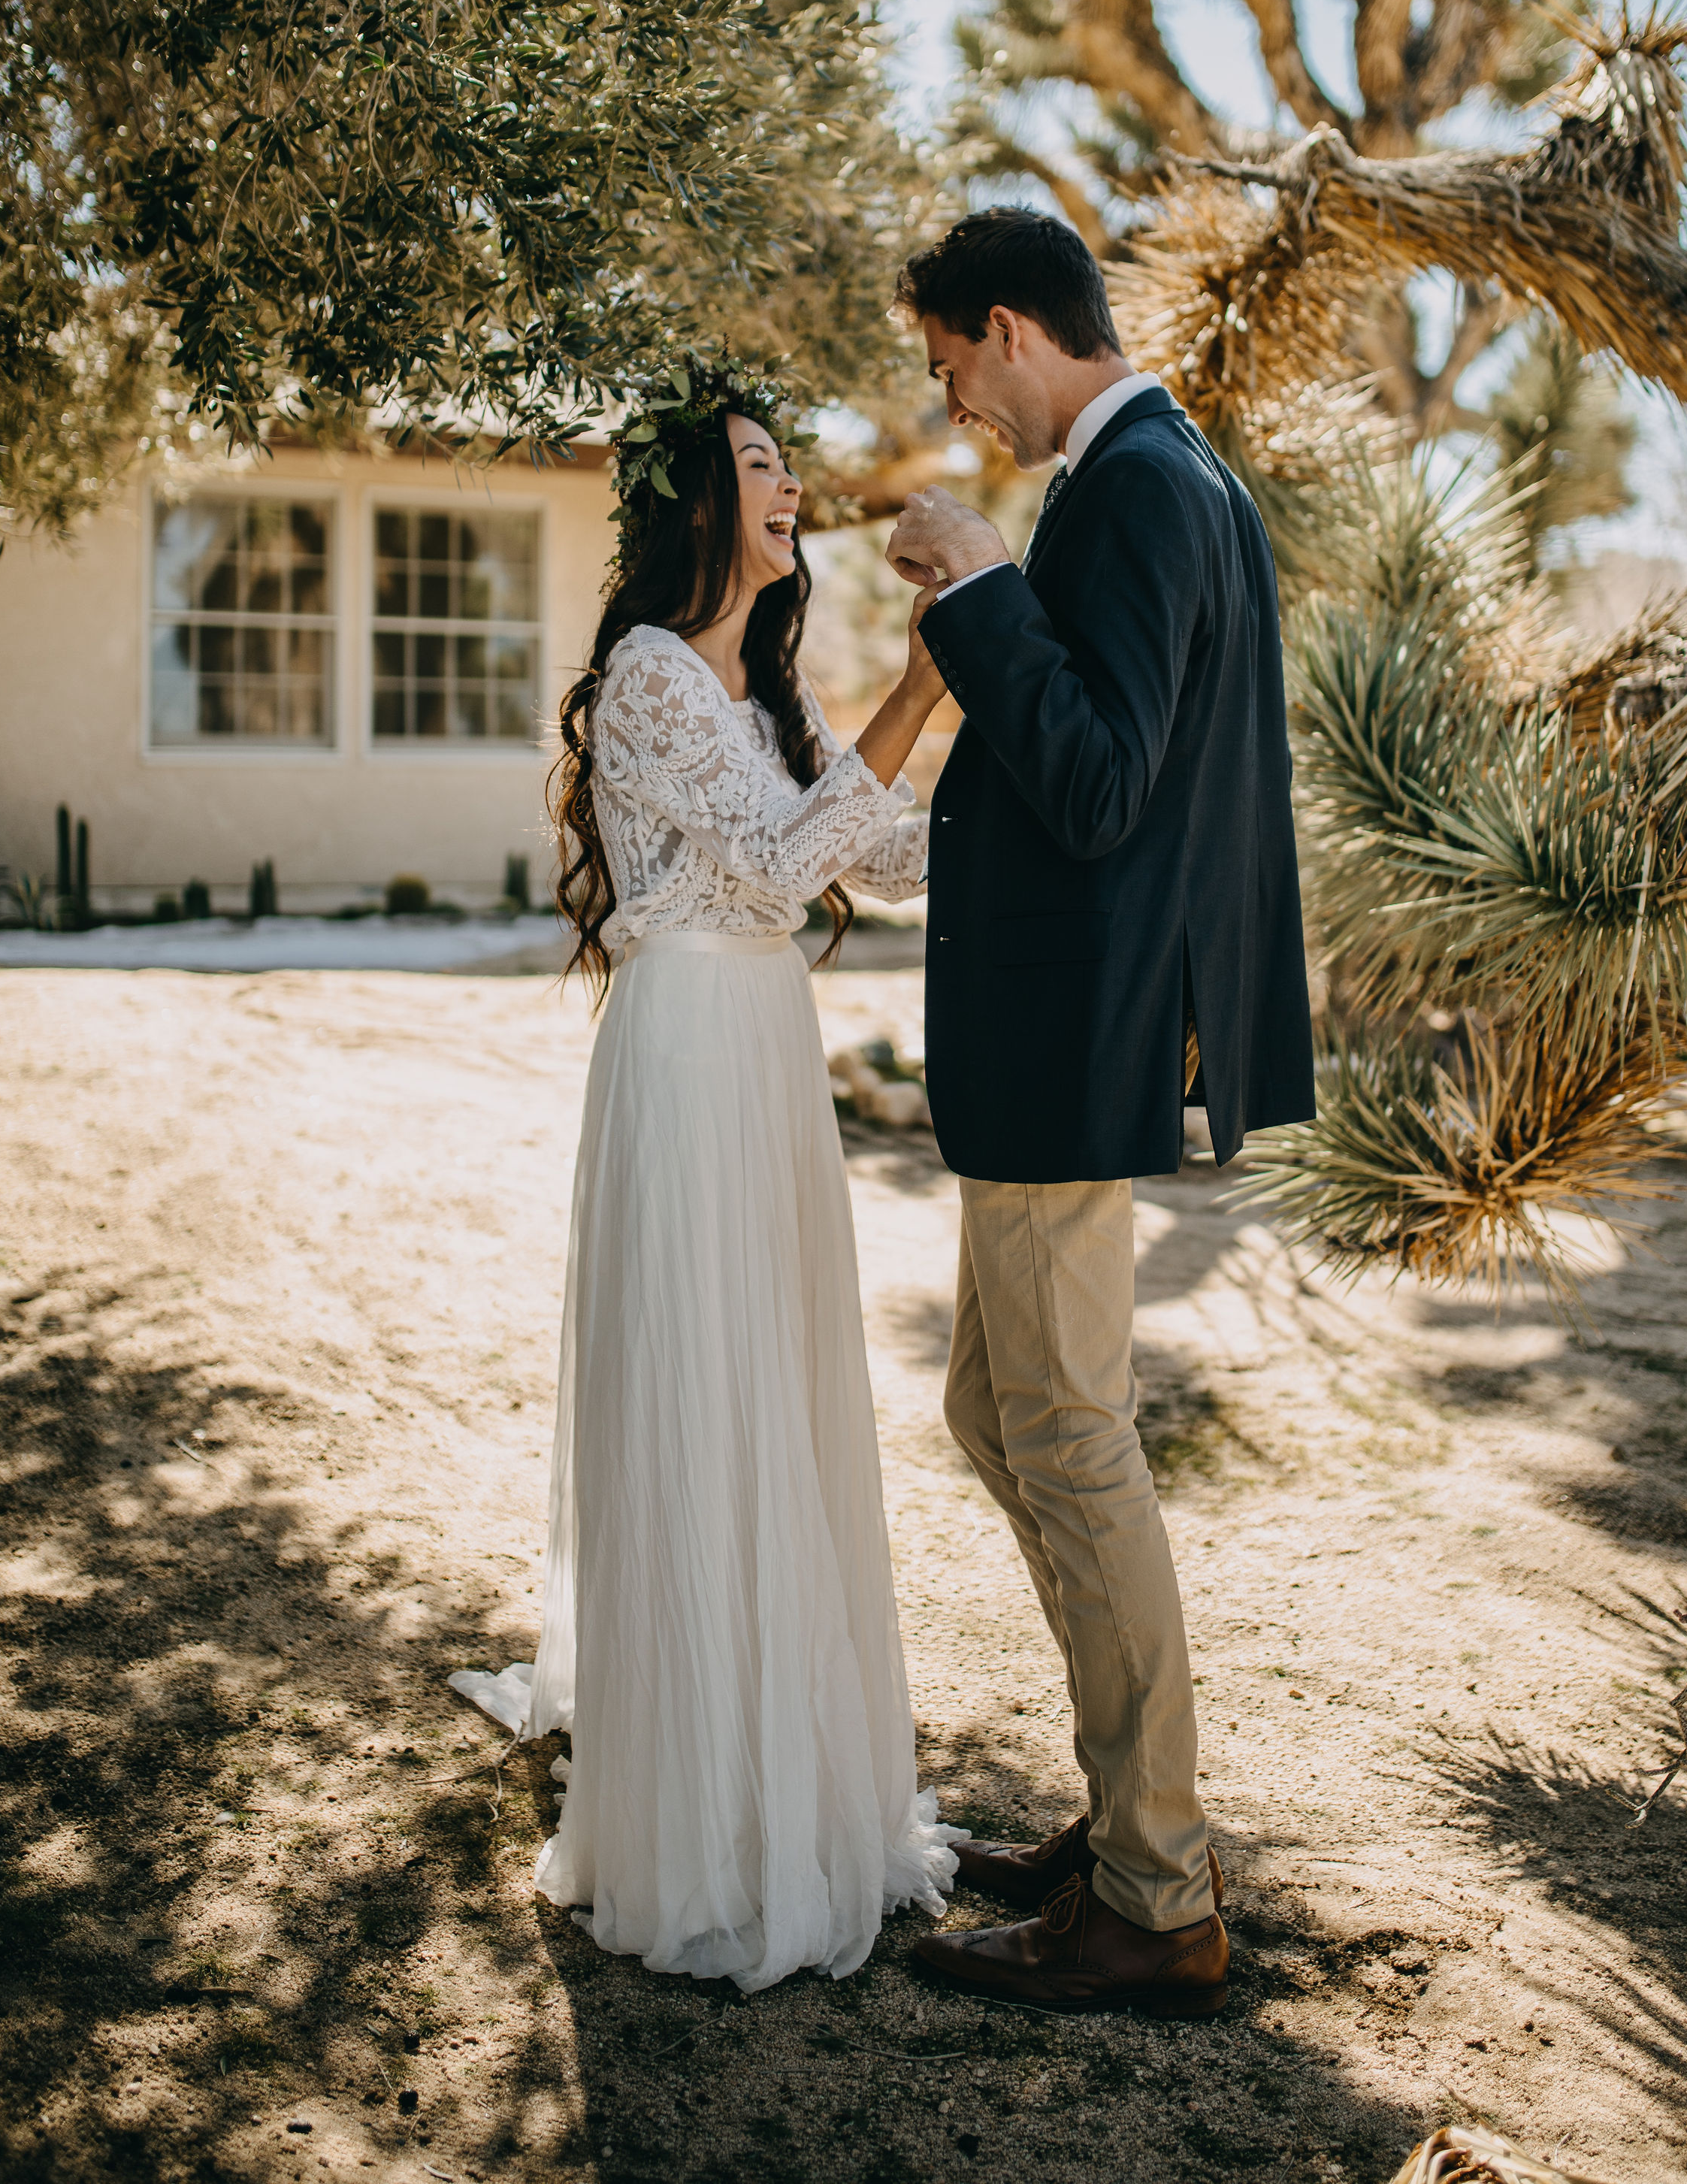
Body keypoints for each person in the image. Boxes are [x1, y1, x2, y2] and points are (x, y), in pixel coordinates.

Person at [452, 361, 961, 1994]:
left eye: (787, 462)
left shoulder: (760, 701)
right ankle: (701, 1822)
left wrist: (1036, 801)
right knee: (700, 1401)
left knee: (781, 1402)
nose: (788, 484)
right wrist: (926, 681)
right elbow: (781, 861)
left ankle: (792, 1784)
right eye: (756, 462)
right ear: (694, 503)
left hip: (769, 1062)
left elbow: (875, 856)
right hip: (684, 1056)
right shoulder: (656, 679)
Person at [884, 207, 1314, 2021]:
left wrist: (980, 585)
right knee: (1002, 1411)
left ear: (1008, 325)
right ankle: (1121, 1813)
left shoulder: (1134, 488)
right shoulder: (1164, 470)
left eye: (948, 362)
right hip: (1069, 1045)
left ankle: (1154, 1888)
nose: (952, 399)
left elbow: (1104, 774)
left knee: (1063, 1435)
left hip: (1073, 1052)